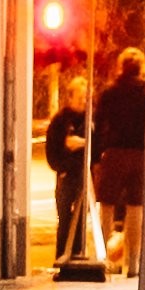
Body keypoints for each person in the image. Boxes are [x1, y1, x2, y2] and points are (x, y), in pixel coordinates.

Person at [93, 47, 145, 278]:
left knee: (106, 206)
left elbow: (98, 125)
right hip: (142, 155)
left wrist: (96, 157)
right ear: (141, 68)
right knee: (136, 207)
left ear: (121, 66)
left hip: (114, 154)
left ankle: (103, 260)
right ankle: (133, 263)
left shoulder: (109, 93)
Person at [41, 73, 95, 270]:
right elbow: (52, 151)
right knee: (64, 219)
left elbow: (98, 145)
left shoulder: (91, 119)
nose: (83, 102)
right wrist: (62, 167)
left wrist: (83, 143)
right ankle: (62, 257)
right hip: (66, 177)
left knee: (81, 220)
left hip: (85, 175)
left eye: (86, 98)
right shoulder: (60, 121)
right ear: (70, 97)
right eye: (80, 97)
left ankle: (79, 255)